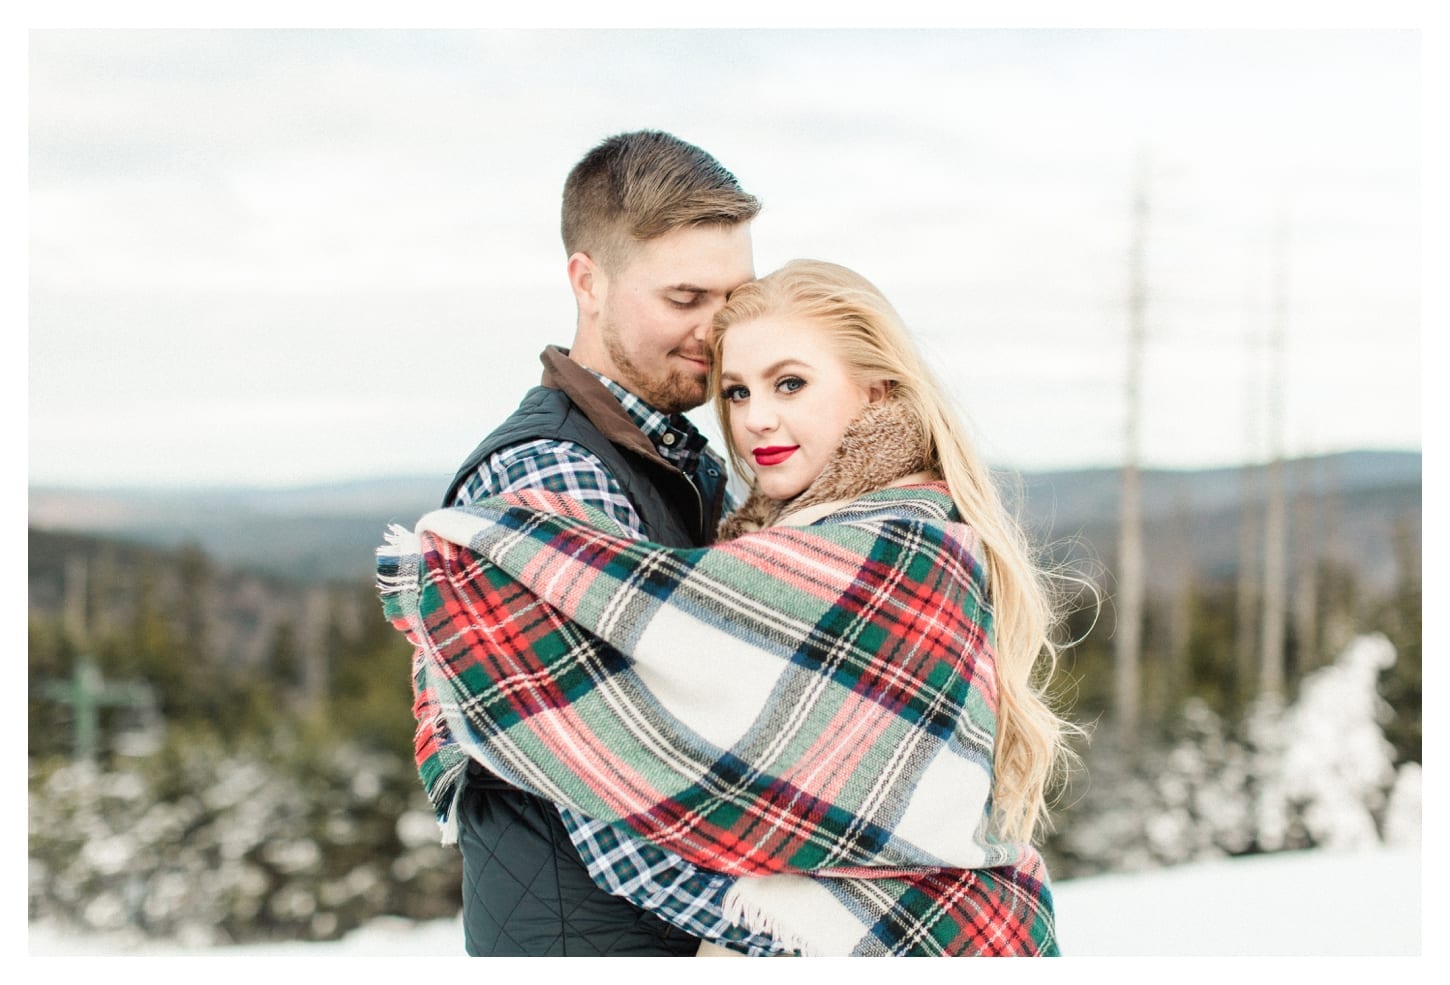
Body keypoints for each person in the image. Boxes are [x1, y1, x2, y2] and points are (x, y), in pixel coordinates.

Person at [382, 259, 1080, 956]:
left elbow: (673, 642)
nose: (756, 419)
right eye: (738, 392)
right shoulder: (787, 535)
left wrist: (484, 562)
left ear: (878, 388)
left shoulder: (902, 544)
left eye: (790, 383)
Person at [414, 129, 768, 956]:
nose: (718, 332)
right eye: (685, 299)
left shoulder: (679, 459)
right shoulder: (548, 478)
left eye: (736, 299)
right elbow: (618, 806)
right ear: (588, 282)